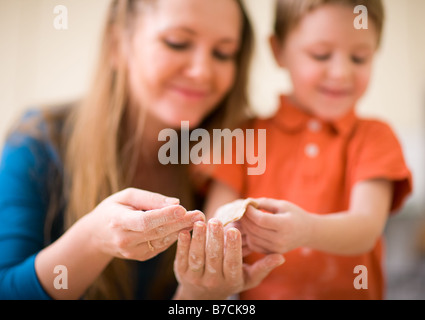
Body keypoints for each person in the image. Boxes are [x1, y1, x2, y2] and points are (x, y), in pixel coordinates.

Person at [0, 0, 282, 300]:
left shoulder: (232, 157)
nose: (202, 71)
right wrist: (94, 239)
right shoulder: (39, 141)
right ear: (117, 44)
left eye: (223, 53)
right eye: (177, 43)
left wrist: (197, 295)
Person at [204, 0, 413, 299]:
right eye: (320, 54)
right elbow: (216, 220)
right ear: (278, 51)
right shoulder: (243, 136)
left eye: (359, 58)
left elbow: (366, 228)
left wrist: (306, 231)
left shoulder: (374, 136)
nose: (341, 72)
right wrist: (232, 232)